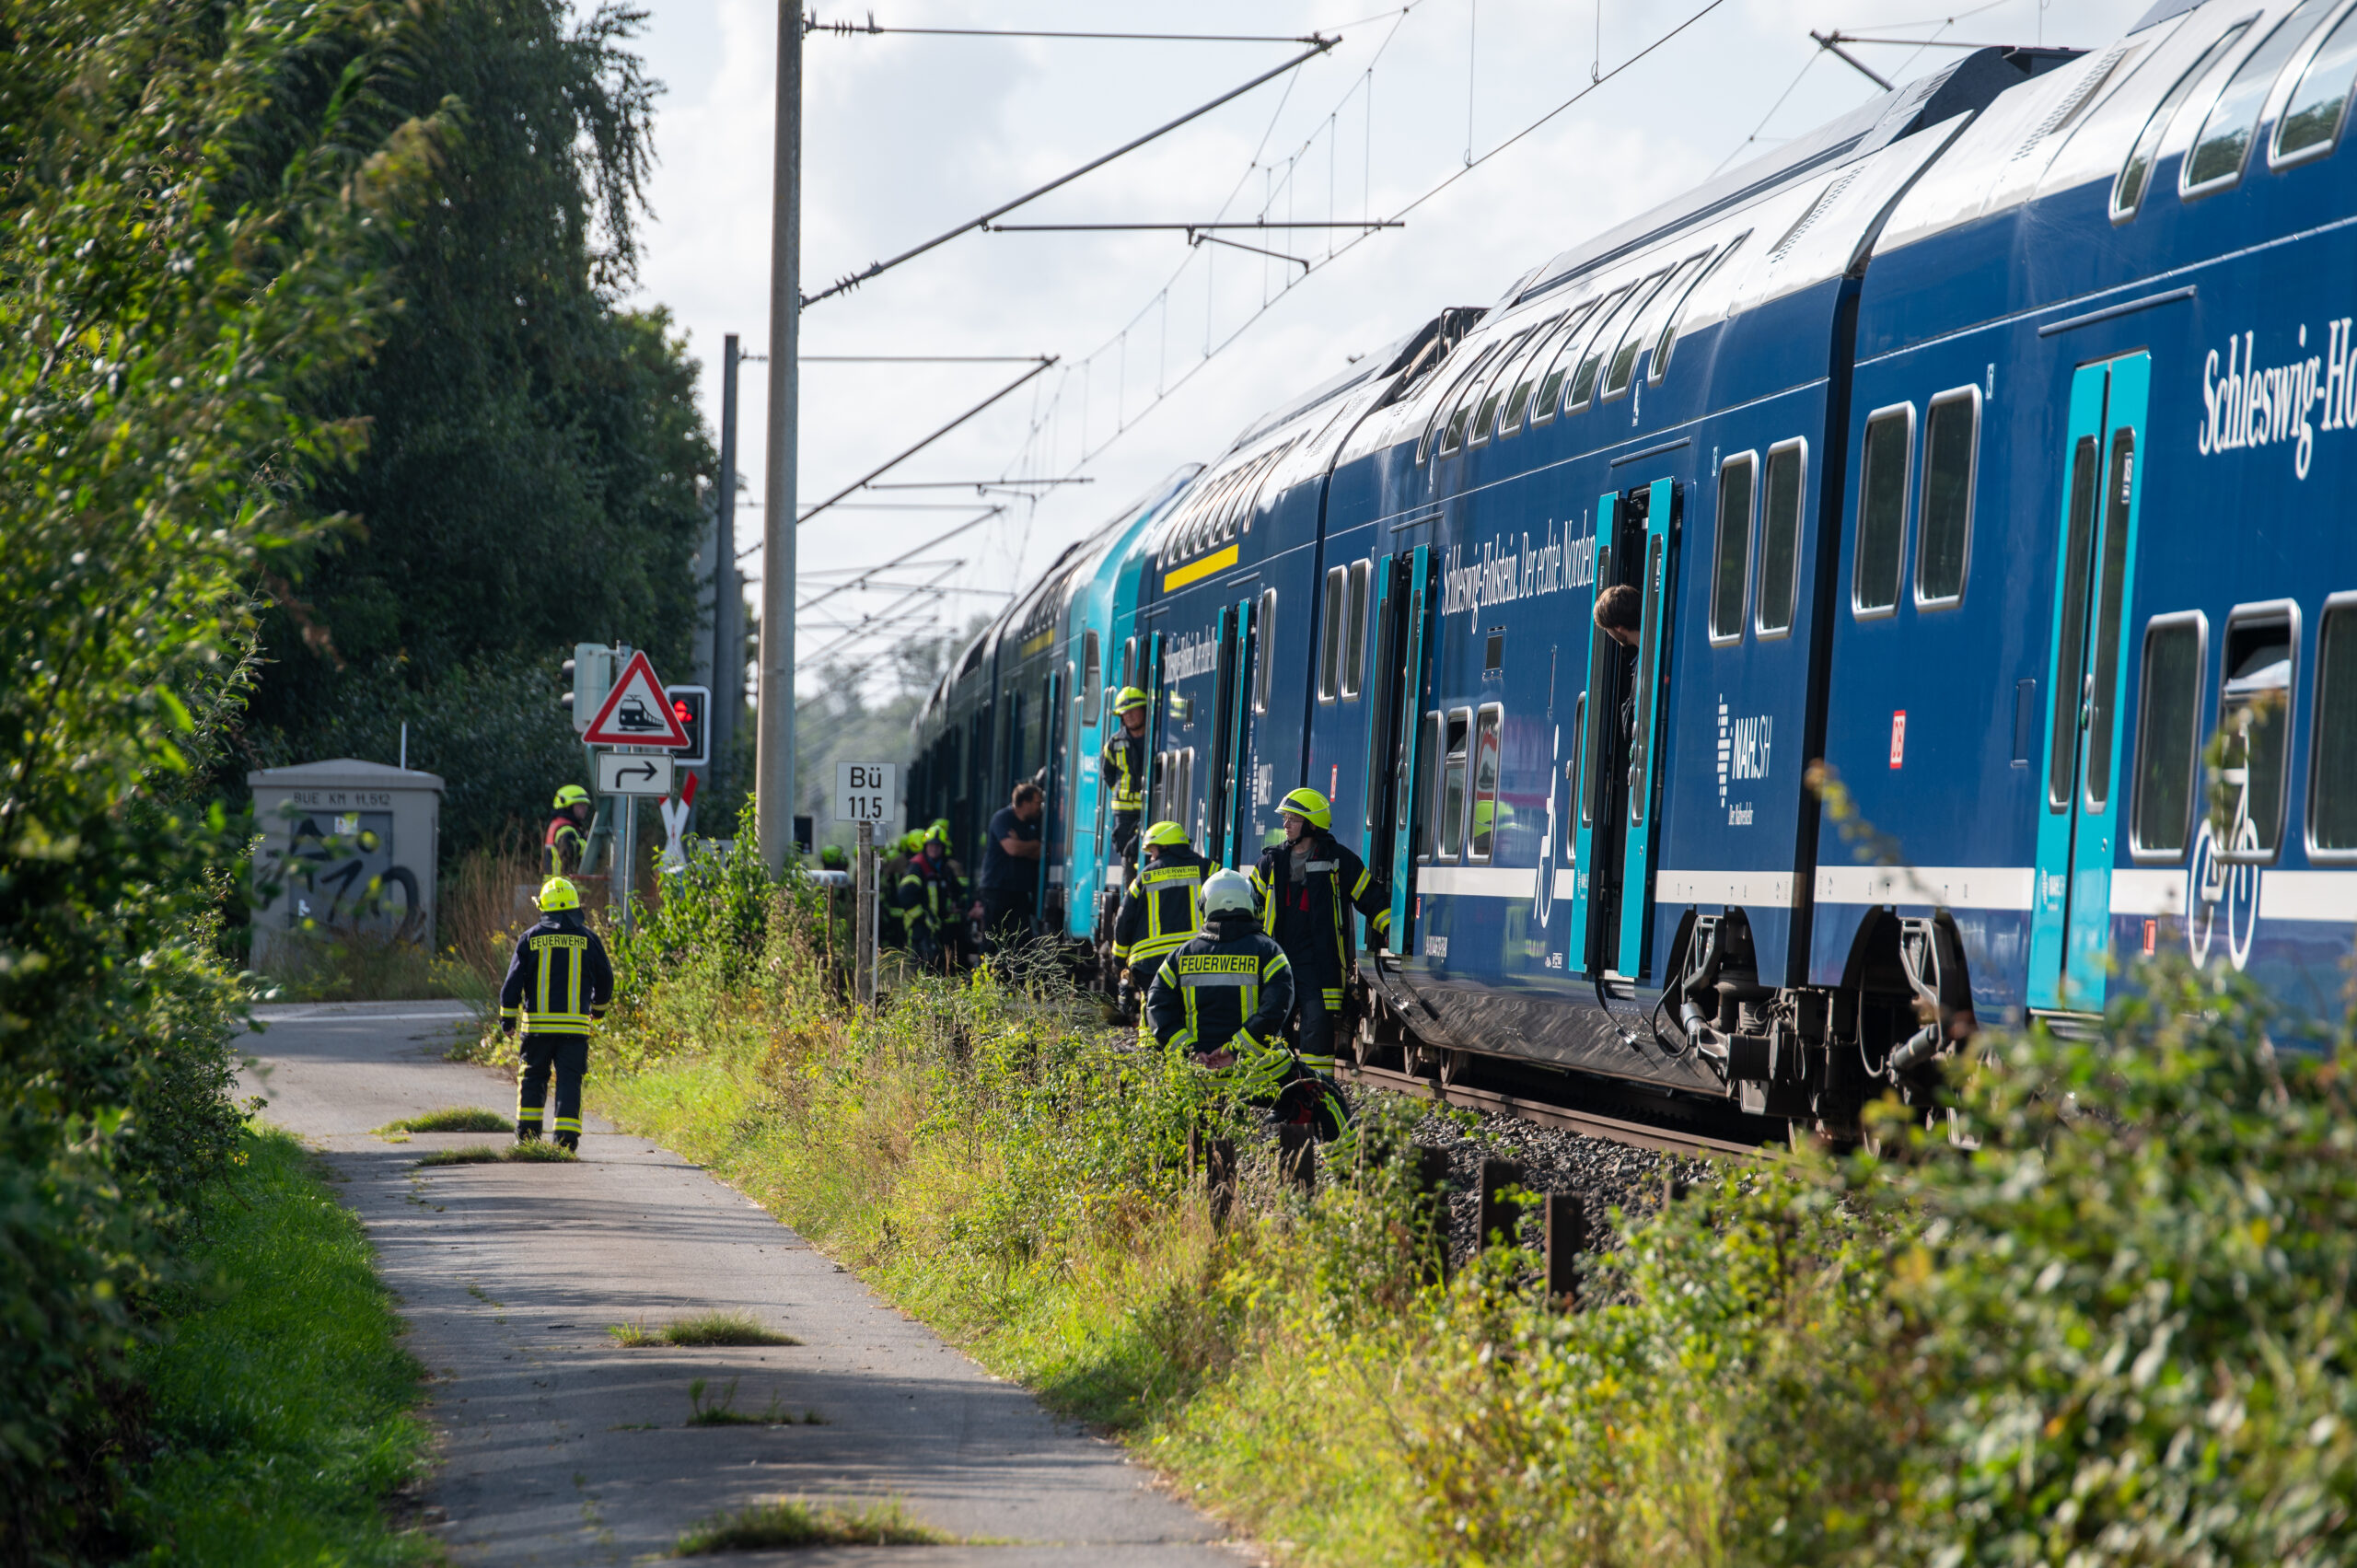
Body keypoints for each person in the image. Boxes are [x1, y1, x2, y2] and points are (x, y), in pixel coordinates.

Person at [1251, 787, 1391, 1083]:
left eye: (1293, 818)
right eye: (1285, 818)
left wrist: (1391, 929)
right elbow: (1248, 906)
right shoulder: (1271, 862)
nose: (1286, 824)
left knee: (1317, 1036)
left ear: (1312, 824)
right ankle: (1282, 1095)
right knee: (1277, 1035)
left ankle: (1317, 1095)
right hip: (1278, 966)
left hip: (1319, 968)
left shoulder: (1339, 861)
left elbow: (1371, 899)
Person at [1147, 869, 1295, 1099]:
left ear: (1205, 906)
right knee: (1327, 1097)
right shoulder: (1270, 951)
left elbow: (1157, 1007)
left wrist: (1191, 1054)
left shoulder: (1179, 956)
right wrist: (1235, 1052)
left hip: (1198, 1080)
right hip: (1260, 1078)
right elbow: (1276, 1009)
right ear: (1249, 904)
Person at [498, 877, 612, 1151]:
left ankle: (527, 1137)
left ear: (544, 907)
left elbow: (512, 983)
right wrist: (598, 1009)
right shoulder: (588, 938)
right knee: (569, 1081)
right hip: (574, 1031)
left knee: (533, 1077)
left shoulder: (530, 938)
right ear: (574, 906)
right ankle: (565, 1141)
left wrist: (507, 1019)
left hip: (537, 1029)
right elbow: (606, 978)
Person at [1109, 820, 1213, 1022]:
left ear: (1165, 847)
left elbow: (1124, 920)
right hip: (1196, 958)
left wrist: (1119, 959)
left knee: (1154, 1007)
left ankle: (1151, 1048)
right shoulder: (1209, 869)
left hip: (1151, 964)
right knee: (1191, 1009)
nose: (1152, 856)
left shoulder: (1145, 877)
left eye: (1153, 850)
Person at [971, 783, 1043, 951]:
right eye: (1037, 803)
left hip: (1019, 890)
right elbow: (1013, 848)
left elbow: (1040, 853)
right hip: (996, 888)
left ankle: (1017, 976)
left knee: (1022, 940)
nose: (1039, 807)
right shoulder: (1003, 819)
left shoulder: (1033, 823)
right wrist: (1032, 844)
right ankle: (988, 974)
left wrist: (1024, 845)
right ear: (1025, 803)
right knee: (993, 938)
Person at [897, 826, 968, 970]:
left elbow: (957, 892)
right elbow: (905, 896)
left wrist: (956, 904)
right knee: (921, 967)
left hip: (938, 928)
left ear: (943, 848)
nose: (934, 849)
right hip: (919, 929)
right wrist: (924, 918)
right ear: (925, 846)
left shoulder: (944, 869)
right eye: (931, 845)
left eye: (937, 846)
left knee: (937, 968)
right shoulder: (917, 867)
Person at [1100, 688, 1151, 864]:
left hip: (1151, 805)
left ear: (1144, 710)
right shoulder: (1114, 743)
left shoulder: (1157, 738)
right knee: (1127, 852)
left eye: (1133, 710)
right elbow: (1107, 772)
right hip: (1124, 810)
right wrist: (1121, 790)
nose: (1128, 716)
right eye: (1124, 713)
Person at [1594, 582, 1643, 738]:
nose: (1609, 634)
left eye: (1608, 629)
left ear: (1619, 627)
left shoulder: (1647, 666)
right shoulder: (1644, 659)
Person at [544, 784, 592, 876]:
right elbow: (569, 849)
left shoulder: (563, 825)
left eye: (585, 805)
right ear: (567, 806)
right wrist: (590, 844)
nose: (585, 808)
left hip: (558, 885)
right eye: (580, 804)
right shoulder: (564, 829)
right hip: (562, 886)